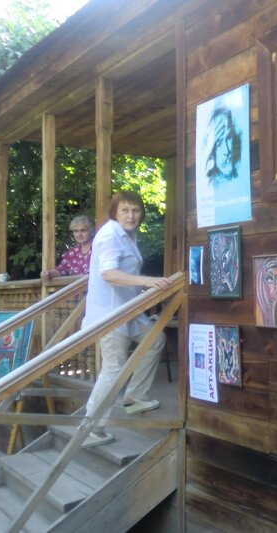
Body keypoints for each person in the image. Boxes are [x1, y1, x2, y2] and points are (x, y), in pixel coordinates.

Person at [80, 191, 172, 448]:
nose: (131, 216)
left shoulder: (127, 235)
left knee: (155, 339)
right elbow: (109, 274)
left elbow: (124, 273)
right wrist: (147, 281)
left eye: (135, 210)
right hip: (110, 315)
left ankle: (134, 396)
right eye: (125, 210)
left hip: (129, 311)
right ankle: (90, 428)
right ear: (115, 212)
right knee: (112, 369)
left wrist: (140, 289)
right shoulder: (110, 236)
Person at [41, 215, 94, 281]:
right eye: (76, 231)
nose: (79, 234)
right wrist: (48, 273)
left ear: (91, 231)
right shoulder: (72, 253)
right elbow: (60, 271)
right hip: (76, 290)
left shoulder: (98, 249)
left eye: (83, 230)